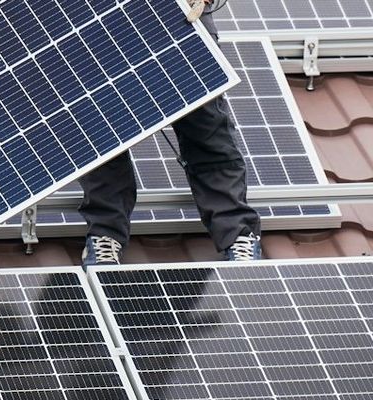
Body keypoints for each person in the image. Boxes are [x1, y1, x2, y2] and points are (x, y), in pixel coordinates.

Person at [80, 0, 263, 265]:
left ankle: (237, 233)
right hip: (93, 16)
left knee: (206, 121)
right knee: (102, 123)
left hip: (179, 9)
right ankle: (105, 234)